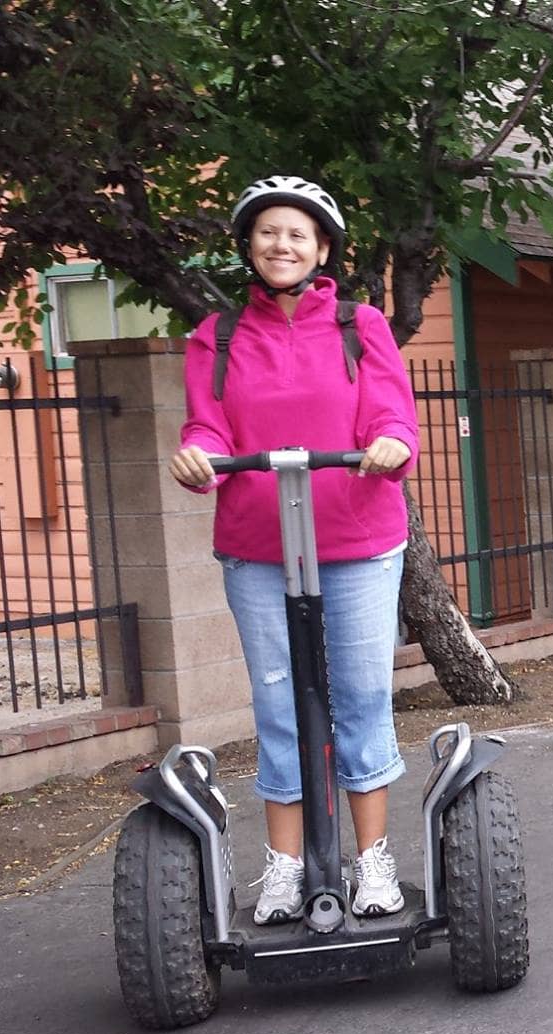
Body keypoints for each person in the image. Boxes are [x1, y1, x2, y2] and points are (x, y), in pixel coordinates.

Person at [168, 176, 419, 924]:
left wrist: (388, 443)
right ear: (249, 244)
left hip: (358, 539)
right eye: (268, 232)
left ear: (322, 249)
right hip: (257, 546)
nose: (282, 245)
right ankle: (284, 868)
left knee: (364, 697)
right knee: (280, 704)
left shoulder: (359, 325)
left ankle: (372, 862)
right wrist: (195, 453)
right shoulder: (214, 337)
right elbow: (209, 426)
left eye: (298, 234)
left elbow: (392, 413)